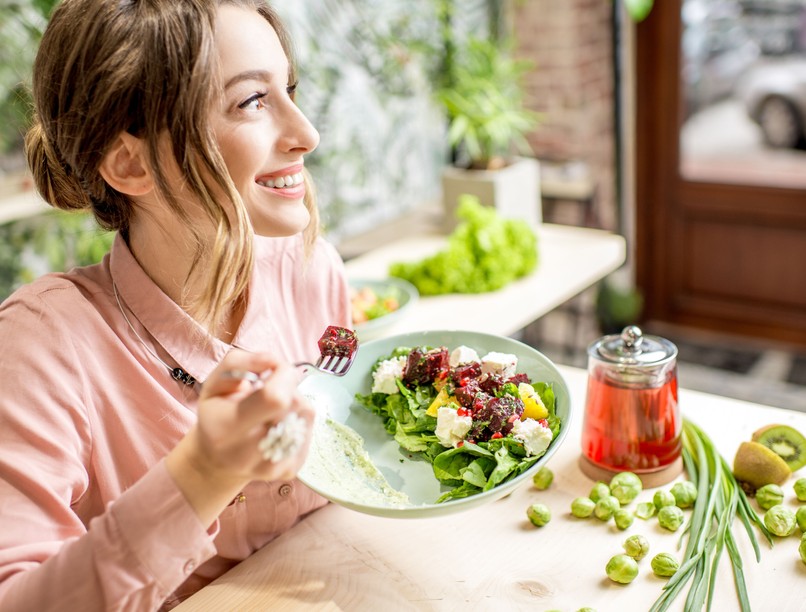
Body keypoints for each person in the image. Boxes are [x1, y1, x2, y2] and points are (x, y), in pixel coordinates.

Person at [0, 1, 351, 610]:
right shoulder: (39, 347)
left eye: (287, 89)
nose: (306, 134)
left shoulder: (312, 269)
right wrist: (203, 475)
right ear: (130, 163)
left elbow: (347, 435)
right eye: (252, 102)